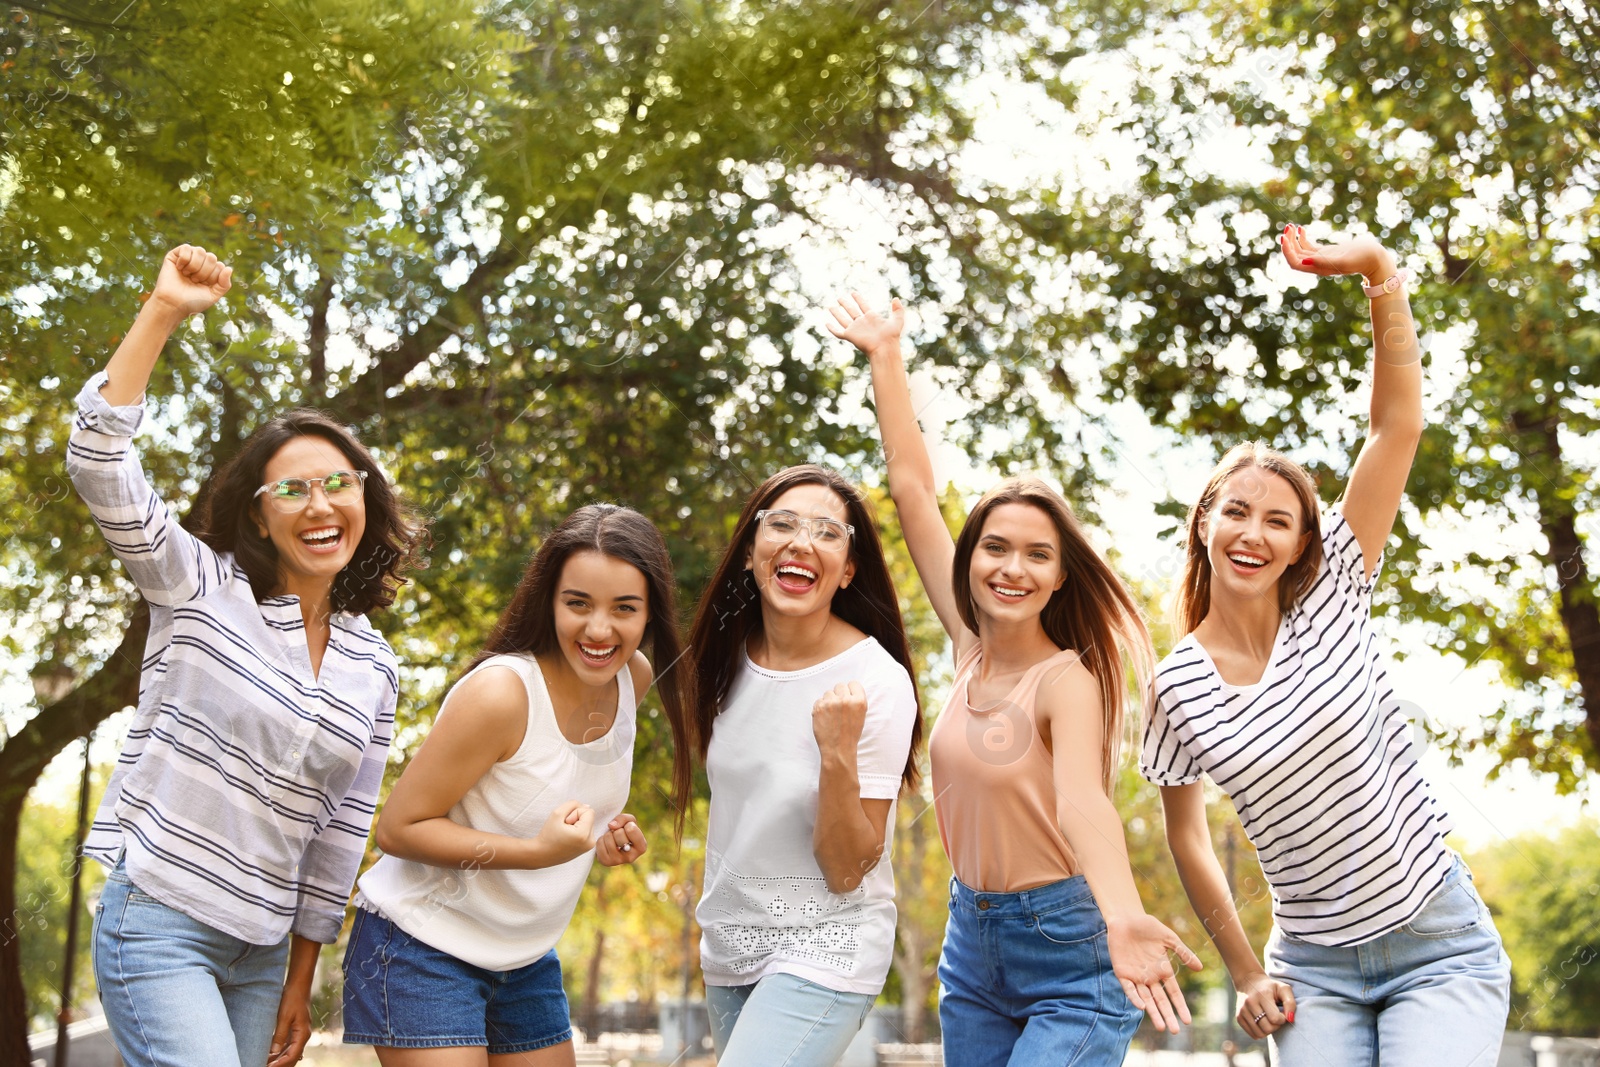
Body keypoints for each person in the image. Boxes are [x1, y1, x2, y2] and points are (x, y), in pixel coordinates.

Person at [1141, 225, 1512, 1064]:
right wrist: (1242, 970)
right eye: (1236, 511)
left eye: (1279, 520)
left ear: (1305, 542)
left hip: (1438, 942)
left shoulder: (1334, 590)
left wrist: (1380, 273)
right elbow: (1187, 834)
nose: (1253, 532)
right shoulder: (1176, 685)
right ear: (1203, 522)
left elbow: (1397, 426)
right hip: (1312, 970)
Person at [68, 245, 425, 1067]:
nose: (320, 503)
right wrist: (163, 311)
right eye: (291, 490)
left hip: (261, 953)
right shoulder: (198, 585)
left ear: (363, 497)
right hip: (159, 918)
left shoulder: (373, 667)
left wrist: (302, 979)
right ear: (260, 518)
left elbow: (338, 836)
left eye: (337, 483)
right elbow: (98, 463)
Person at [829, 293, 1201, 1066]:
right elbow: (911, 489)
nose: (1013, 566)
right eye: (996, 546)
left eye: (1038, 554)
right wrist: (886, 359)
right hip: (972, 945)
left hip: (1067, 945)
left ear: (1062, 576)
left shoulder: (1067, 680)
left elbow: (1082, 801)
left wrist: (1124, 914)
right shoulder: (967, 649)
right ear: (971, 560)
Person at [342, 504, 694, 1066]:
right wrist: (535, 854)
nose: (599, 630)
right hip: (421, 946)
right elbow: (399, 829)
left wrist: (604, 835)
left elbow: (554, 794)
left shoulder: (635, 678)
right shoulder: (503, 694)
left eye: (624, 609)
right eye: (577, 603)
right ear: (549, 600)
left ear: (650, 614)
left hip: (524, 957)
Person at [687, 465, 921, 1067]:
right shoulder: (721, 664)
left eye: (827, 532)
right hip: (729, 945)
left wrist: (838, 756)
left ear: (847, 571)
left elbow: (849, 870)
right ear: (748, 552)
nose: (801, 542)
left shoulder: (877, 680)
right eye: (782, 524)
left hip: (829, 945)